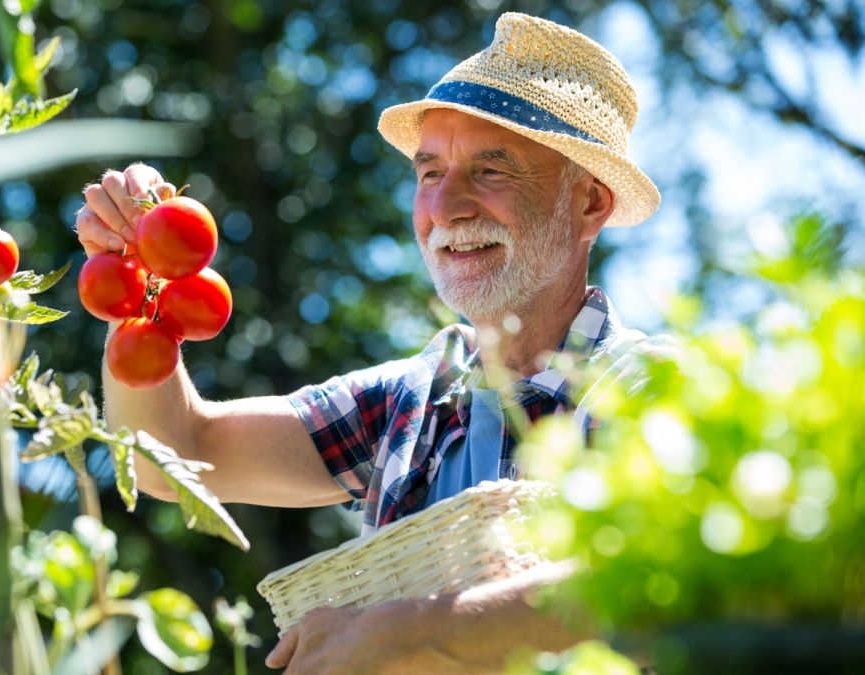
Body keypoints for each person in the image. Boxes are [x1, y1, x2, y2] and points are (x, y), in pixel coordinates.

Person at [74, 12, 670, 673]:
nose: (445, 209)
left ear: (589, 203)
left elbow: (666, 582)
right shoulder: (414, 398)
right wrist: (135, 283)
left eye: (491, 171)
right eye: (429, 172)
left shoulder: (644, 388)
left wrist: (410, 631)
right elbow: (178, 455)